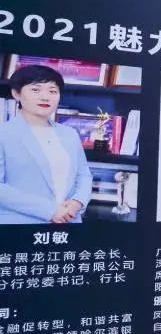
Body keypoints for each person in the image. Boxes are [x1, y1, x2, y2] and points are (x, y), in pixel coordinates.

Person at [0, 65, 93, 224]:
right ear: (16, 94)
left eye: (52, 91)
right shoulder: (4, 134)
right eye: (35, 90)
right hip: (20, 224)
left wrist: (77, 202)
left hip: (69, 222)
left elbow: (83, 175)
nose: (45, 97)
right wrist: (50, 210)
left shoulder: (69, 134)